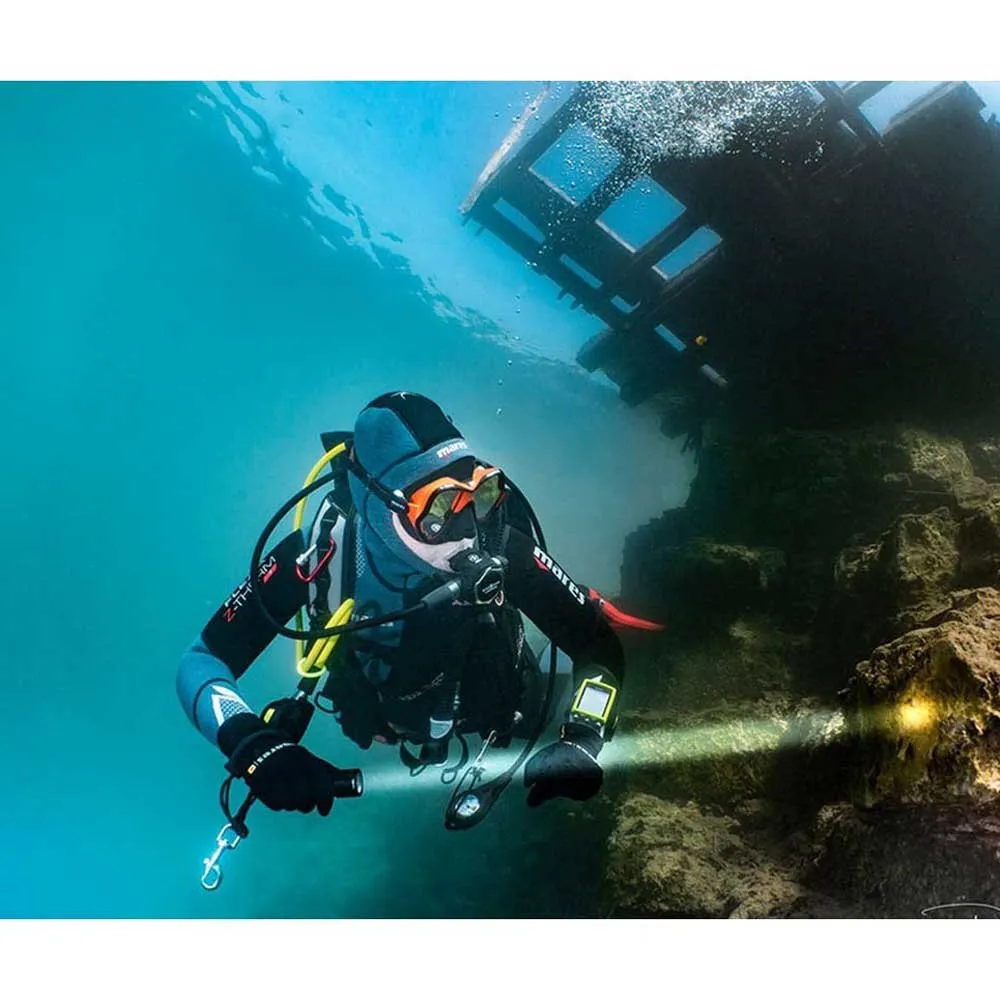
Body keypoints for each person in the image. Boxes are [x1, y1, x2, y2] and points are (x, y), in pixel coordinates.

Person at [176, 391, 639, 823]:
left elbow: (595, 643)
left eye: (479, 496)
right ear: (378, 506)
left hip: (501, 706)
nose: (467, 532)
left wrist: (585, 735)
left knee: (534, 695)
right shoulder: (320, 557)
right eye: (437, 510)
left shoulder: (500, 544)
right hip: (386, 721)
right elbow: (202, 660)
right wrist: (250, 742)